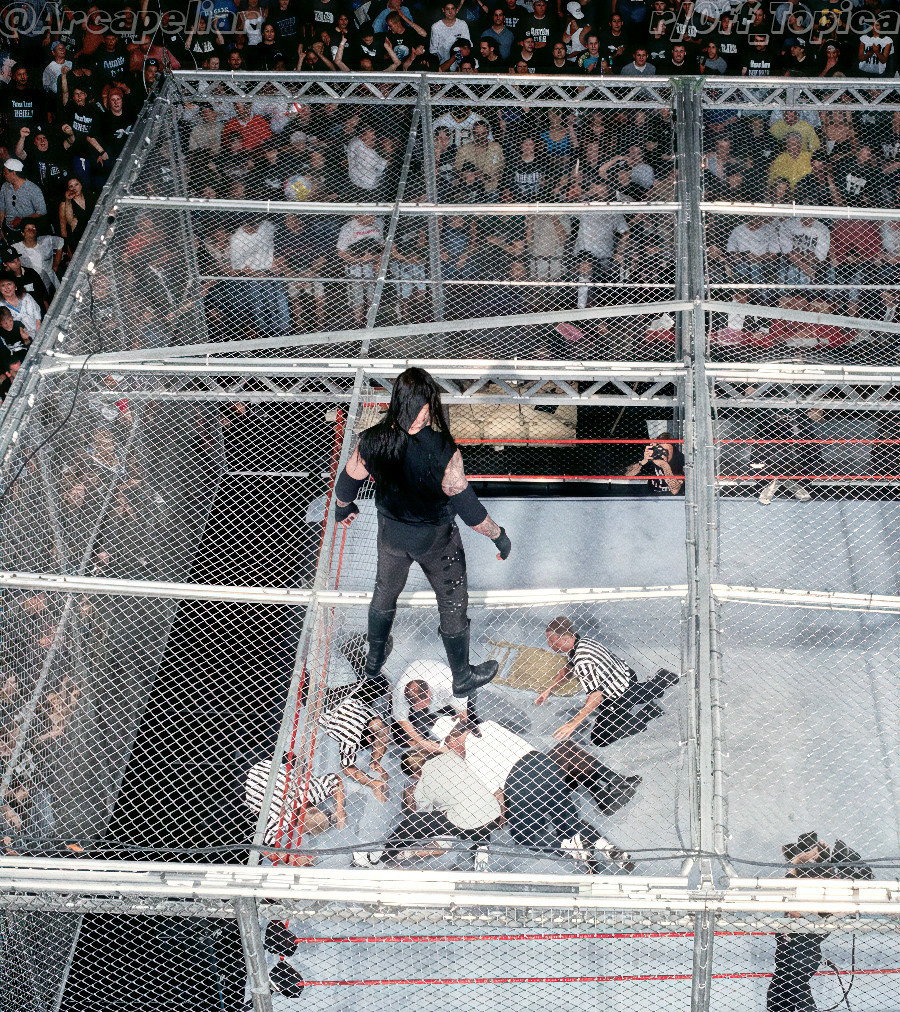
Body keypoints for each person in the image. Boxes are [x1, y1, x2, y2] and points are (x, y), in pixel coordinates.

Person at [333, 368, 511, 698]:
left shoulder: (372, 440)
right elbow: (471, 514)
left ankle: (373, 664)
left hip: (392, 536)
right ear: (429, 404)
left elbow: (348, 481)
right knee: (453, 603)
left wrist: (342, 508)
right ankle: (461, 676)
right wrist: (499, 536)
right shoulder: (443, 450)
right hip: (436, 543)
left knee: (384, 592)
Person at [437, 715, 635, 871]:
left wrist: (501, 817)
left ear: (451, 738)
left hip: (520, 783)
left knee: (525, 835)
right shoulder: (488, 726)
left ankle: (573, 849)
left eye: (447, 744)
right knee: (567, 821)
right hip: (545, 766)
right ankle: (605, 847)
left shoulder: (470, 758)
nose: (449, 749)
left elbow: (497, 795)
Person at [767, 832, 873, 1012]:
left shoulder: (828, 878)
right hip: (798, 931)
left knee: (794, 977)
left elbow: (846, 901)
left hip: (807, 932)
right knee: (785, 980)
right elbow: (788, 894)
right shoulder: (800, 875)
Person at [352, 746, 501, 868]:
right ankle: (482, 850)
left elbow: (425, 816)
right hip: (492, 810)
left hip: (465, 817)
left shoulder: (422, 786)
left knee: (412, 824)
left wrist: (413, 799)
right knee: (474, 808)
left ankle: (380, 855)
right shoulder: (450, 756)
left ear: (415, 774)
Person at [541, 616, 679, 747]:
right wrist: (550, 689)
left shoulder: (583, 661)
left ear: (565, 638)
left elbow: (596, 695)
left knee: (600, 738)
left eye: (552, 641)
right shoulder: (582, 641)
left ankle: (648, 713)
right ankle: (660, 681)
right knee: (640, 693)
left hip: (619, 694)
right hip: (626, 674)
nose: (549, 645)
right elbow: (568, 669)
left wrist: (573, 724)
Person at [245, 754, 345, 864]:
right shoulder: (279, 822)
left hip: (263, 762)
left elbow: (335, 779)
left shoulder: (307, 793)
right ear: (303, 831)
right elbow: (264, 849)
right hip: (245, 784)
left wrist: (340, 809)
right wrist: (294, 860)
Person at [321, 692, 390, 801]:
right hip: (325, 712)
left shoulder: (372, 716)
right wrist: (373, 784)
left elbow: (382, 733)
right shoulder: (350, 738)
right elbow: (348, 769)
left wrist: (376, 761)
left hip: (343, 700)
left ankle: (374, 762)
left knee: (380, 732)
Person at [392, 658, 468, 755]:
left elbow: (465, 713)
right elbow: (402, 720)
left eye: (420, 705)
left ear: (428, 693)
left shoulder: (448, 686)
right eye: (414, 706)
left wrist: (459, 737)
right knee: (402, 737)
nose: (417, 708)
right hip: (418, 669)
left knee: (463, 720)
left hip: (441, 683)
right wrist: (421, 741)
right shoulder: (400, 691)